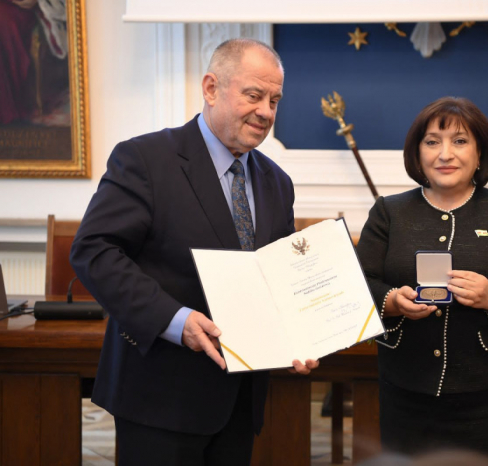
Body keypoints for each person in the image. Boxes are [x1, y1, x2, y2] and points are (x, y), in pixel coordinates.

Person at [70, 38, 318, 466]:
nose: (266, 112)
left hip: (240, 401)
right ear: (210, 88)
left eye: (274, 100)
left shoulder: (277, 181)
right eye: (254, 95)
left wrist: (299, 332)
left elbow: (277, 278)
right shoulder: (145, 159)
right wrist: (175, 320)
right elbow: (95, 251)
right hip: (160, 396)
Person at [355, 96, 488, 464]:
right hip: (406, 392)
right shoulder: (389, 211)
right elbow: (356, 283)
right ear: (417, 155)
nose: (445, 153)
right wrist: (391, 301)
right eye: (432, 142)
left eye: (460, 141)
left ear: (480, 154)